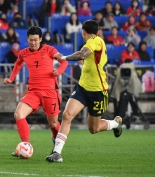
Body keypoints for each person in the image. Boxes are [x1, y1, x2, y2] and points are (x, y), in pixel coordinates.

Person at [46, 20, 123, 163]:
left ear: (83, 32)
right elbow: (82, 53)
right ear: (98, 31)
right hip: (82, 88)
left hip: (98, 92)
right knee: (67, 115)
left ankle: (115, 124)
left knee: (93, 129)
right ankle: (57, 153)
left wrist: (62, 58)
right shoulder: (93, 42)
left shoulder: (95, 41)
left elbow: (82, 55)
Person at [3, 26, 68, 158]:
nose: (33, 43)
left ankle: (57, 150)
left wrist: (58, 71)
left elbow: (63, 61)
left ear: (41, 39)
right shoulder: (24, 53)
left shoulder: (49, 50)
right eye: (31, 40)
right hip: (33, 92)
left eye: (36, 40)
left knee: (53, 124)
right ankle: (25, 146)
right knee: (18, 114)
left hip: (50, 92)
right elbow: (18, 64)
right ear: (27, 39)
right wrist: (11, 78)